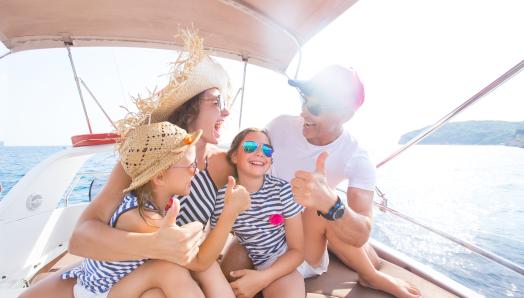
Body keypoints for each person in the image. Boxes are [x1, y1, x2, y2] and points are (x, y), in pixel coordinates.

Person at [21, 30, 236, 298]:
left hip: (179, 271)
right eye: (218, 102)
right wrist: (154, 244)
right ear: (190, 108)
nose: (227, 111)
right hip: (135, 271)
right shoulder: (146, 161)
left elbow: (261, 200)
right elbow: (81, 239)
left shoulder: (224, 164)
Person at [222, 65, 421, 298]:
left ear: (344, 116)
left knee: (323, 206)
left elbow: (361, 234)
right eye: (304, 100)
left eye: (314, 107)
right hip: (264, 232)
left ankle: (372, 276)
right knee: (229, 273)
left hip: (304, 243)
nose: (303, 113)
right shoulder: (280, 126)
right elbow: (250, 155)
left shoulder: (356, 158)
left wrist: (331, 202)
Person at [61, 122, 250, 297]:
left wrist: (194, 233)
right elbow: (201, 261)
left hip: (125, 283)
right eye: (191, 165)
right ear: (159, 178)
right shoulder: (139, 217)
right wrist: (229, 212)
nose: (197, 171)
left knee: (178, 274)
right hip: (98, 292)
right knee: (170, 270)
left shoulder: (161, 201)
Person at [212, 128, 305, 298]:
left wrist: (262, 278)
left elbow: (297, 251)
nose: (260, 153)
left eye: (267, 150)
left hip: (283, 263)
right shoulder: (222, 198)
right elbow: (212, 242)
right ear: (234, 156)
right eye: (250, 147)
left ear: (270, 160)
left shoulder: (282, 190)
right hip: (254, 259)